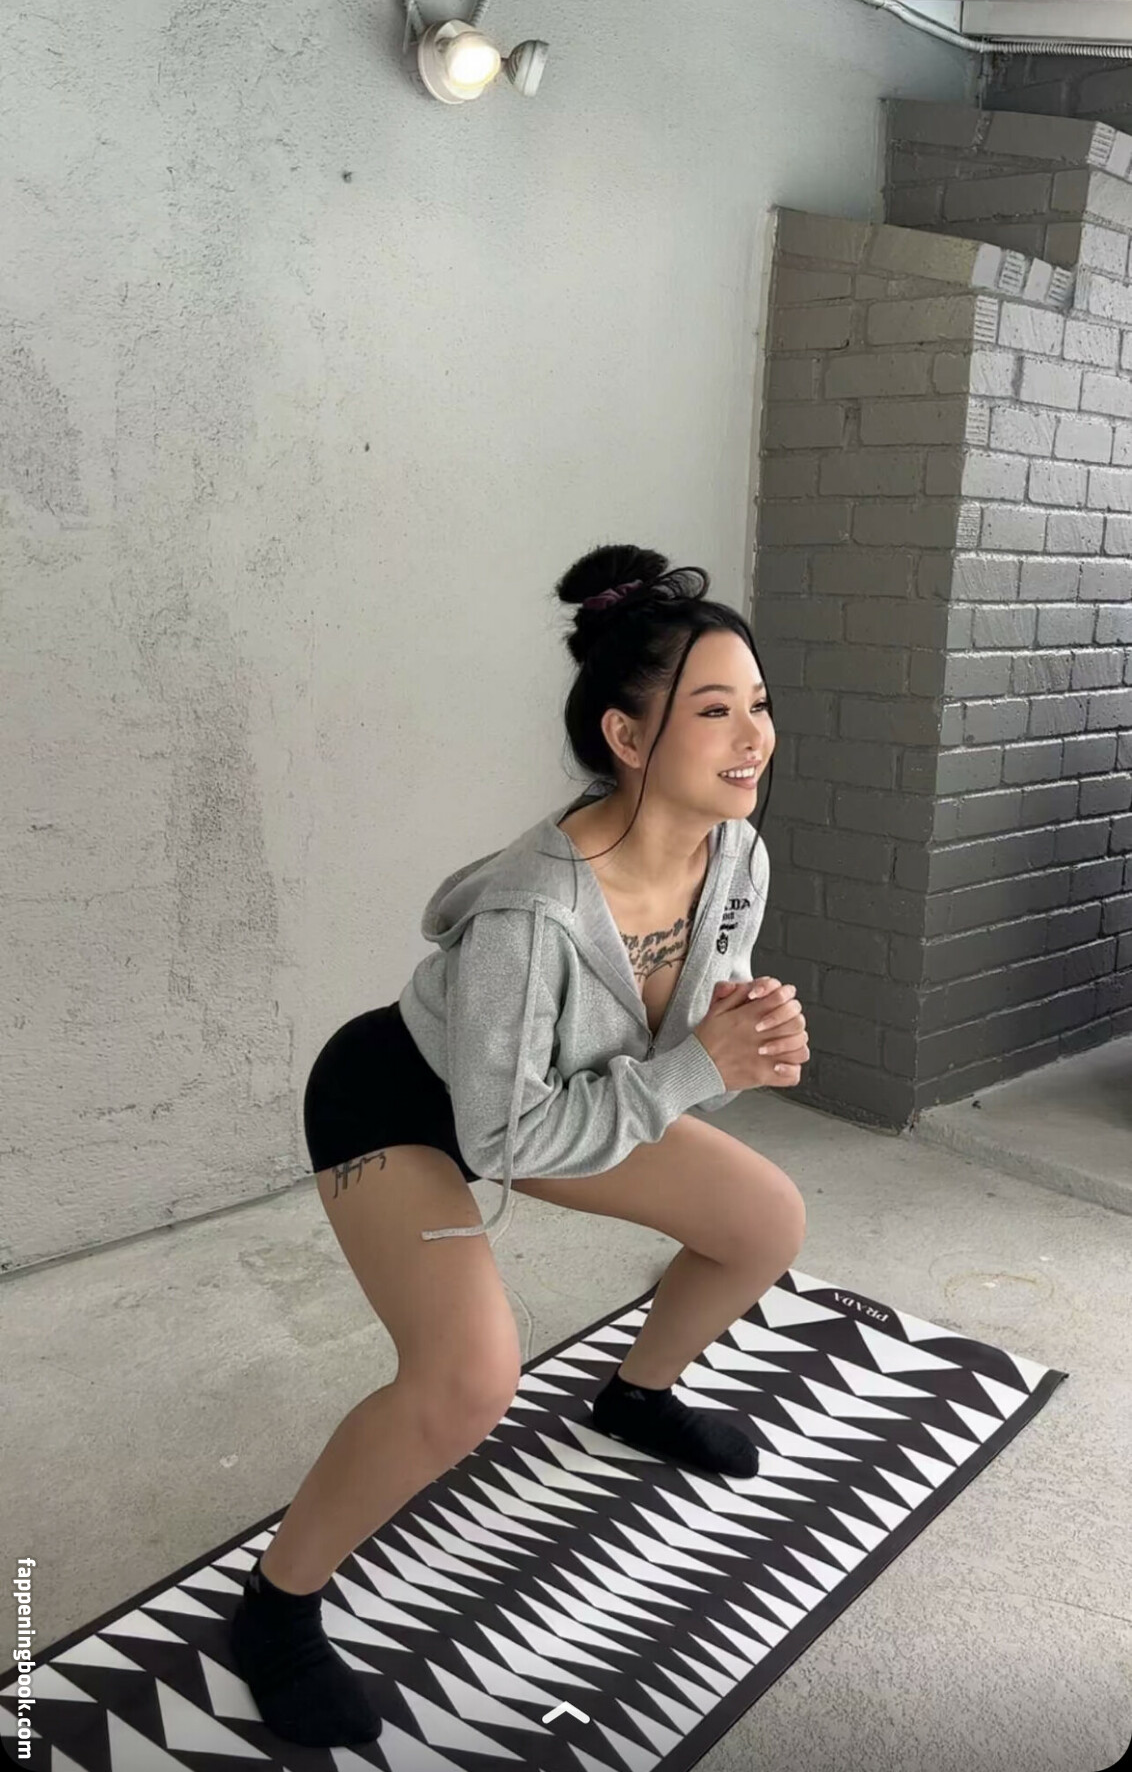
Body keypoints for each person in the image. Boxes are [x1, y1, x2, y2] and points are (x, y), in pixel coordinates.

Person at [228, 545, 809, 1747]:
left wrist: (740, 1029)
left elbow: (679, 1044)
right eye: (714, 710)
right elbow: (504, 1137)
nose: (752, 735)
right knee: (466, 1382)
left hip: (553, 1097)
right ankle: (275, 1607)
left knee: (764, 1223)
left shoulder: (735, 853)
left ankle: (636, 1399)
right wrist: (702, 1066)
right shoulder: (531, 913)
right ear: (628, 738)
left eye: (757, 702)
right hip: (402, 1104)